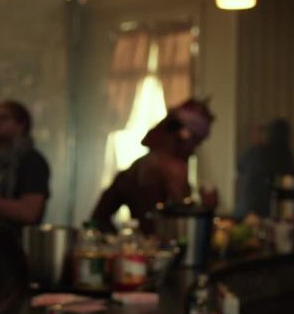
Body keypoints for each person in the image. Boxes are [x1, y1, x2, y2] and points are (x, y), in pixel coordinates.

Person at [91, 98, 215, 234]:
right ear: (183, 135)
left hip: (144, 245)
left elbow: (98, 219)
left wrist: (124, 242)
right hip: (170, 246)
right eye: (196, 142)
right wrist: (207, 207)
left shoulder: (133, 169)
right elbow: (183, 227)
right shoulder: (175, 170)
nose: (193, 151)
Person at [0, 100, 50, 240]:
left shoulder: (31, 160)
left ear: (21, 125)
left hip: (16, 245)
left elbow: (29, 213)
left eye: (3, 118)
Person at [234, 118, 294, 219]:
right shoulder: (283, 155)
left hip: (244, 209)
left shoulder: (256, 150)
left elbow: (239, 166)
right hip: (262, 212)